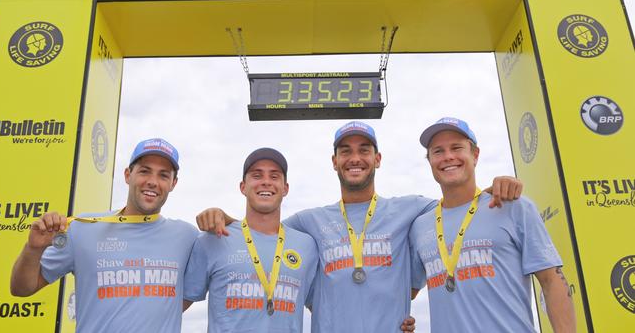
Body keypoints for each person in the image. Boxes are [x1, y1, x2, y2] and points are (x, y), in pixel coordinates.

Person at [197, 121, 523, 333]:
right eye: (346, 152)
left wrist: (496, 186)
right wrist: (223, 218)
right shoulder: (308, 223)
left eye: (364, 150)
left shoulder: (413, 210)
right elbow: (261, 228)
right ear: (334, 161)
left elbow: (458, 204)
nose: (355, 158)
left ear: (377, 159)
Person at [10, 138, 198, 333]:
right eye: (144, 171)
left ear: (173, 183)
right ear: (127, 175)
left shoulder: (187, 237)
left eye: (163, 175)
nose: (152, 181)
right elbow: (21, 289)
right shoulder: (81, 229)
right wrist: (33, 249)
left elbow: (192, 292)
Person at [409, 117, 575, 332]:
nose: (448, 156)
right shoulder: (420, 226)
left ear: (475, 155)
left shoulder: (513, 207)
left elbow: (552, 281)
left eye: (457, 147)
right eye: (438, 151)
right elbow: (405, 291)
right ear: (430, 160)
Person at [184, 148, 318, 332]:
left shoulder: (307, 246)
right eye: (257, 175)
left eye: (274, 176)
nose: (265, 182)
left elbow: (320, 307)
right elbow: (175, 307)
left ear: (285, 188)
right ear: (243, 187)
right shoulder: (213, 239)